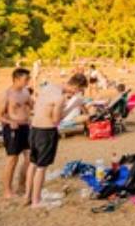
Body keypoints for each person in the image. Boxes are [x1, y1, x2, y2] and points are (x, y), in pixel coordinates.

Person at [25, 73, 89, 208]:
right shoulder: (60, 98)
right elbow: (56, 120)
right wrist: (73, 105)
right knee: (42, 167)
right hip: (46, 132)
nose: (77, 93)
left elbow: (40, 108)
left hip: (34, 129)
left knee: (33, 164)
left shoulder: (49, 87)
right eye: (79, 90)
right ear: (76, 87)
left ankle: (28, 196)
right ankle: (36, 201)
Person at [0, 68, 33, 199]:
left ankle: (22, 185)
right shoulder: (6, 94)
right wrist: (9, 121)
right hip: (12, 129)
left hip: (26, 127)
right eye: (26, 79)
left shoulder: (26, 92)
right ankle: (7, 191)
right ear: (17, 79)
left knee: (29, 159)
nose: (28, 81)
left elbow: (31, 106)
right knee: (13, 159)